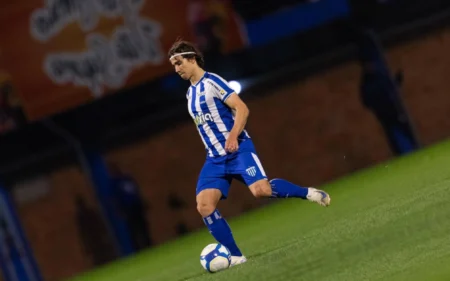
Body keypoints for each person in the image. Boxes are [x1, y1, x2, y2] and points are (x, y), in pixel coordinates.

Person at [168, 40, 331, 266]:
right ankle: (236, 256)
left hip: (238, 150)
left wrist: (233, 135)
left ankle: (307, 193)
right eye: (173, 65)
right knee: (204, 206)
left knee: (261, 191)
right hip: (215, 159)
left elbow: (242, 108)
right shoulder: (190, 94)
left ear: (192, 58)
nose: (176, 69)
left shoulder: (213, 82)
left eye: (178, 62)